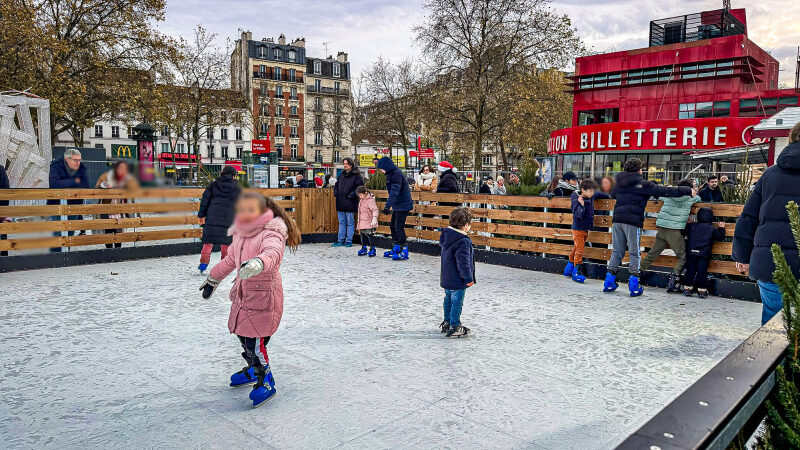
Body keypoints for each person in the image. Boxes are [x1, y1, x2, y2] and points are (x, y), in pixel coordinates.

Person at [199, 192, 301, 408]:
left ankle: (266, 379)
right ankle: (254, 370)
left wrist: (258, 262)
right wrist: (212, 279)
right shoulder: (243, 233)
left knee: (254, 344)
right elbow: (230, 260)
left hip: (264, 297)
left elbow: (273, 253)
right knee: (243, 337)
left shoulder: (272, 231)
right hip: (244, 294)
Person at [733, 121, 800, 325]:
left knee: (774, 325)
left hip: (771, 261)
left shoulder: (771, 173)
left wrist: (742, 255)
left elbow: (749, 216)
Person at [604, 158, 692, 297]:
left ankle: (608, 283)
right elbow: (664, 191)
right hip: (632, 221)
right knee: (634, 253)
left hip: (617, 220)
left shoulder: (619, 182)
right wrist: (686, 190)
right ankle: (634, 286)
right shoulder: (643, 184)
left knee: (617, 252)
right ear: (640, 170)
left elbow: (612, 194)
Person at [639, 180, 700, 292]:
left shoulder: (669, 196)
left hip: (662, 229)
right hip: (675, 231)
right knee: (683, 256)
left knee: (652, 253)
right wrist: (695, 191)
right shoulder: (691, 198)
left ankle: (637, 273)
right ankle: (674, 279)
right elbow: (699, 198)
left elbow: (659, 196)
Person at [197, 166, 241, 273]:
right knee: (226, 243)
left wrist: (201, 215)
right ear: (233, 175)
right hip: (229, 218)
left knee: (208, 242)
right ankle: (224, 265)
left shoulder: (213, 185)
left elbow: (204, 201)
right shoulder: (237, 187)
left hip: (212, 217)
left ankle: (203, 263)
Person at [439, 207, 475, 338]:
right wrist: (468, 278)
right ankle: (455, 325)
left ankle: (447, 322)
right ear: (466, 225)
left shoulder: (446, 235)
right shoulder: (463, 241)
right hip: (457, 279)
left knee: (448, 300)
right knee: (456, 302)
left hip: (446, 277)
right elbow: (463, 263)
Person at [48, 148, 90, 252]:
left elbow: (86, 185)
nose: (78, 162)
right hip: (57, 205)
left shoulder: (81, 167)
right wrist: (74, 181)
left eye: (79, 160)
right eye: (75, 160)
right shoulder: (55, 166)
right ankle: (56, 257)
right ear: (67, 159)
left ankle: (66, 254)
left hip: (74, 205)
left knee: (70, 232)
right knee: (58, 232)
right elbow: (54, 184)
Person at [682, 207, 726, 299]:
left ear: (698, 216)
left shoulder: (692, 226)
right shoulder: (712, 229)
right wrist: (721, 228)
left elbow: (683, 232)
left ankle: (687, 289)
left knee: (690, 271)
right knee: (702, 272)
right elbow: (719, 237)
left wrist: (687, 223)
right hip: (704, 254)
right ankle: (702, 291)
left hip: (691, 253)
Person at [95, 161, 140, 248]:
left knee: (119, 232)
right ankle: (109, 251)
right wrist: (105, 186)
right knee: (108, 231)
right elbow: (97, 187)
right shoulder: (106, 176)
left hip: (120, 209)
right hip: (107, 208)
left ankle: (117, 251)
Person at [377, 156, 413, 260]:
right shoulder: (391, 174)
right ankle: (396, 247)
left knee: (398, 227)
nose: (381, 171)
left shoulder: (396, 174)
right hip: (398, 205)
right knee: (393, 226)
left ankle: (404, 249)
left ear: (386, 166)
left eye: (382, 168)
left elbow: (394, 192)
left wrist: (388, 206)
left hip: (403, 205)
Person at [564, 179, 597, 283]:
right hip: (578, 228)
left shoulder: (589, 197)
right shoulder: (576, 199)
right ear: (583, 190)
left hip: (585, 228)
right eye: (590, 191)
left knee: (577, 248)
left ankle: (568, 269)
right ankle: (576, 270)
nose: (592, 193)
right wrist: (581, 205)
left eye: (593, 191)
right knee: (580, 250)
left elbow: (600, 194)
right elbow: (578, 215)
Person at [332, 158, 364, 248]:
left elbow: (360, 187)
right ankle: (340, 240)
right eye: (344, 163)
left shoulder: (356, 175)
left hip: (350, 202)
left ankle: (349, 240)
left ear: (351, 164)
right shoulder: (342, 174)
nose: (344, 165)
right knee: (342, 222)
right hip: (340, 201)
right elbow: (337, 185)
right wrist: (336, 192)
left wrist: (352, 195)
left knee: (350, 222)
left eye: (346, 163)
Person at [356, 186, 379, 257]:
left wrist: (374, 218)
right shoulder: (361, 200)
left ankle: (372, 248)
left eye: (361, 195)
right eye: (359, 195)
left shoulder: (370, 200)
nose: (360, 196)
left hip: (369, 221)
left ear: (365, 193)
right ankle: (364, 247)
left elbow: (375, 209)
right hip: (362, 221)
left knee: (369, 235)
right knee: (362, 235)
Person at [0, 164, 9, 256]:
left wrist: (3, 210)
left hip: (1, 209)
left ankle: (4, 256)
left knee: (2, 231)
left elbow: (6, 190)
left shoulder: (0, 169)